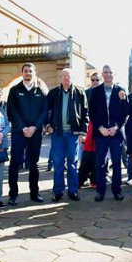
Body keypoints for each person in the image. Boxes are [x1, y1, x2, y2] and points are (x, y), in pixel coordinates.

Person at [6, 62, 48, 205]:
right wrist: (23, 127)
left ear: (34, 73)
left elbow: (44, 111)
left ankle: (34, 193)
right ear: (22, 73)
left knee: (34, 164)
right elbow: (11, 111)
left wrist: (35, 127)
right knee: (15, 163)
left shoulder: (40, 91)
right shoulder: (14, 90)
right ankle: (13, 195)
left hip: (35, 133)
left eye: (30, 71)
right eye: (25, 71)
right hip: (19, 132)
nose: (28, 73)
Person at [45, 68, 88, 202]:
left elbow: (85, 113)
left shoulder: (80, 93)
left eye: (68, 76)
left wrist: (83, 132)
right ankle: (58, 191)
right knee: (58, 163)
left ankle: (73, 191)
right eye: (63, 76)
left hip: (73, 134)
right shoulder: (53, 93)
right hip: (57, 133)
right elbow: (46, 111)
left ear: (72, 78)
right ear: (60, 78)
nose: (65, 78)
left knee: (72, 163)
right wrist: (47, 126)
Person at [88, 65, 128, 202]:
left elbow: (125, 112)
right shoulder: (96, 91)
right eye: (105, 72)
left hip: (115, 133)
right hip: (101, 133)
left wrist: (116, 127)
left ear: (114, 74)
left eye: (110, 72)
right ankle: (100, 191)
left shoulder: (121, 91)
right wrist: (100, 128)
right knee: (100, 164)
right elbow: (91, 112)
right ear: (102, 75)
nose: (108, 74)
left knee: (117, 164)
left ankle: (117, 191)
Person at [77, 73, 101, 189]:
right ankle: (81, 179)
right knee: (86, 154)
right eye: (93, 80)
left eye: (97, 80)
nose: (95, 82)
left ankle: (95, 180)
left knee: (98, 155)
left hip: (101, 126)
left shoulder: (105, 92)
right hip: (89, 125)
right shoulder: (86, 93)